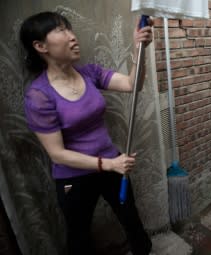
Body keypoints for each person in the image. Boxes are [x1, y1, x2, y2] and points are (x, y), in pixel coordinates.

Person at [21, 11, 153, 255]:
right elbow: (57, 154)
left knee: (131, 219)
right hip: (75, 177)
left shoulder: (89, 73)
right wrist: (109, 164)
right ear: (40, 46)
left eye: (70, 29)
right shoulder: (38, 96)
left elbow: (132, 85)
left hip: (113, 164)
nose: (73, 37)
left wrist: (138, 49)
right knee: (79, 236)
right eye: (61, 31)